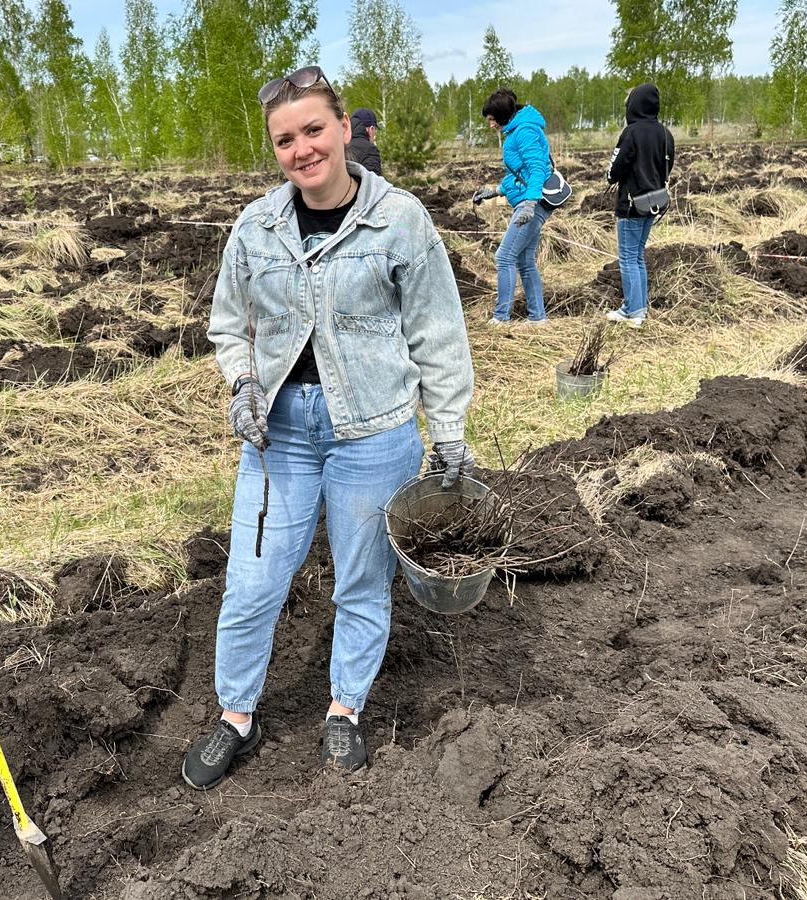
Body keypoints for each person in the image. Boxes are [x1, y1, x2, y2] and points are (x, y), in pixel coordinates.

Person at [184, 65, 475, 790]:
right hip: (277, 435)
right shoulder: (256, 228)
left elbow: (438, 334)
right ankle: (236, 718)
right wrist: (244, 383)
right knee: (251, 584)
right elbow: (229, 325)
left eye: (314, 130)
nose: (302, 149)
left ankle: (343, 712)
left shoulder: (400, 221)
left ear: (346, 130)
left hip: (373, 432)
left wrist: (448, 435)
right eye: (285, 140)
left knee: (361, 582)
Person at [471, 88, 552, 325]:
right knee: (525, 261)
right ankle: (537, 318)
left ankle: (501, 317)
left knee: (504, 256)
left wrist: (529, 203)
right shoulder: (516, 131)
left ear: (504, 116)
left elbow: (538, 169)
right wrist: (495, 191)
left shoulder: (525, 131)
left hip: (531, 206)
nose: (490, 125)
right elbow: (520, 174)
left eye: (492, 120)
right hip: (528, 202)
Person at [605, 83, 674, 328]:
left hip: (631, 204)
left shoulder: (631, 133)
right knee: (638, 257)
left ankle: (632, 311)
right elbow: (669, 165)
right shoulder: (665, 134)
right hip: (654, 203)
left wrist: (610, 176)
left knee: (627, 257)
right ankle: (639, 308)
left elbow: (615, 169)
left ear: (634, 104)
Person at [346, 107, 382, 175]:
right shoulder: (370, 150)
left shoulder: (342, 146)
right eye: (375, 130)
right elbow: (373, 182)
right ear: (371, 129)